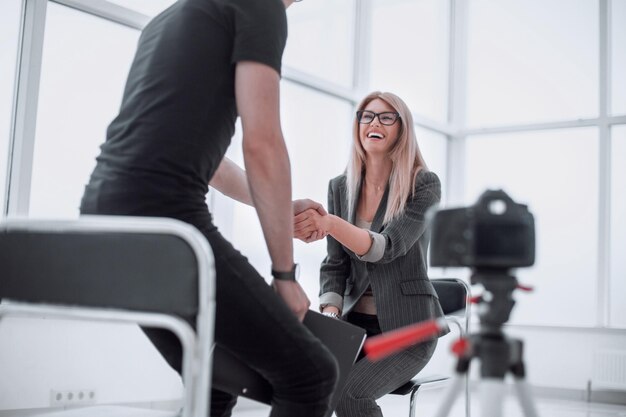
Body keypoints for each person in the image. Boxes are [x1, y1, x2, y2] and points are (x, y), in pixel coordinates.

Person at [79, 0, 339, 416]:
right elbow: (263, 143)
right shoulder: (260, 7)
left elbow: (211, 164)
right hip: (160, 214)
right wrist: (284, 274)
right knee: (312, 374)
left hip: (101, 216)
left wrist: (279, 205)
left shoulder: (172, 17)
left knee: (216, 377)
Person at [293, 91, 449, 417]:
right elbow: (335, 263)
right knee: (302, 383)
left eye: (386, 116)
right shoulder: (340, 187)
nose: (374, 122)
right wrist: (331, 310)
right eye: (367, 115)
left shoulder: (424, 184)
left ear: (401, 129)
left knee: (349, 394)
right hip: (355, 326)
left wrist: (331, 224)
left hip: (409, 329)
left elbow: (386, 248)